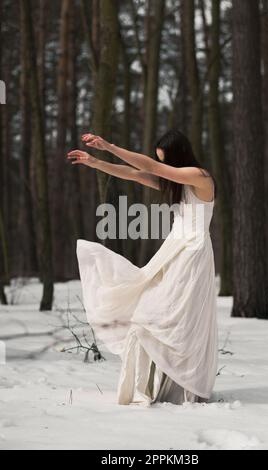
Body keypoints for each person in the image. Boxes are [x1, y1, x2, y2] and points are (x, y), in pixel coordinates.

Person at [67, 128, 218, 406]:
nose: (163, 166)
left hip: (192, 254)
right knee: (148, 312)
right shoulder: (178, 183)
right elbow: (136, 174)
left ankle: (180, 387)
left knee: (173, 317)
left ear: (178, 157)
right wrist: (96, 162)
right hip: (174, 250)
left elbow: (148, 166)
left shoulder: (199, 177)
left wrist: (108, 145)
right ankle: (152, 386)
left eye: (166, 161)